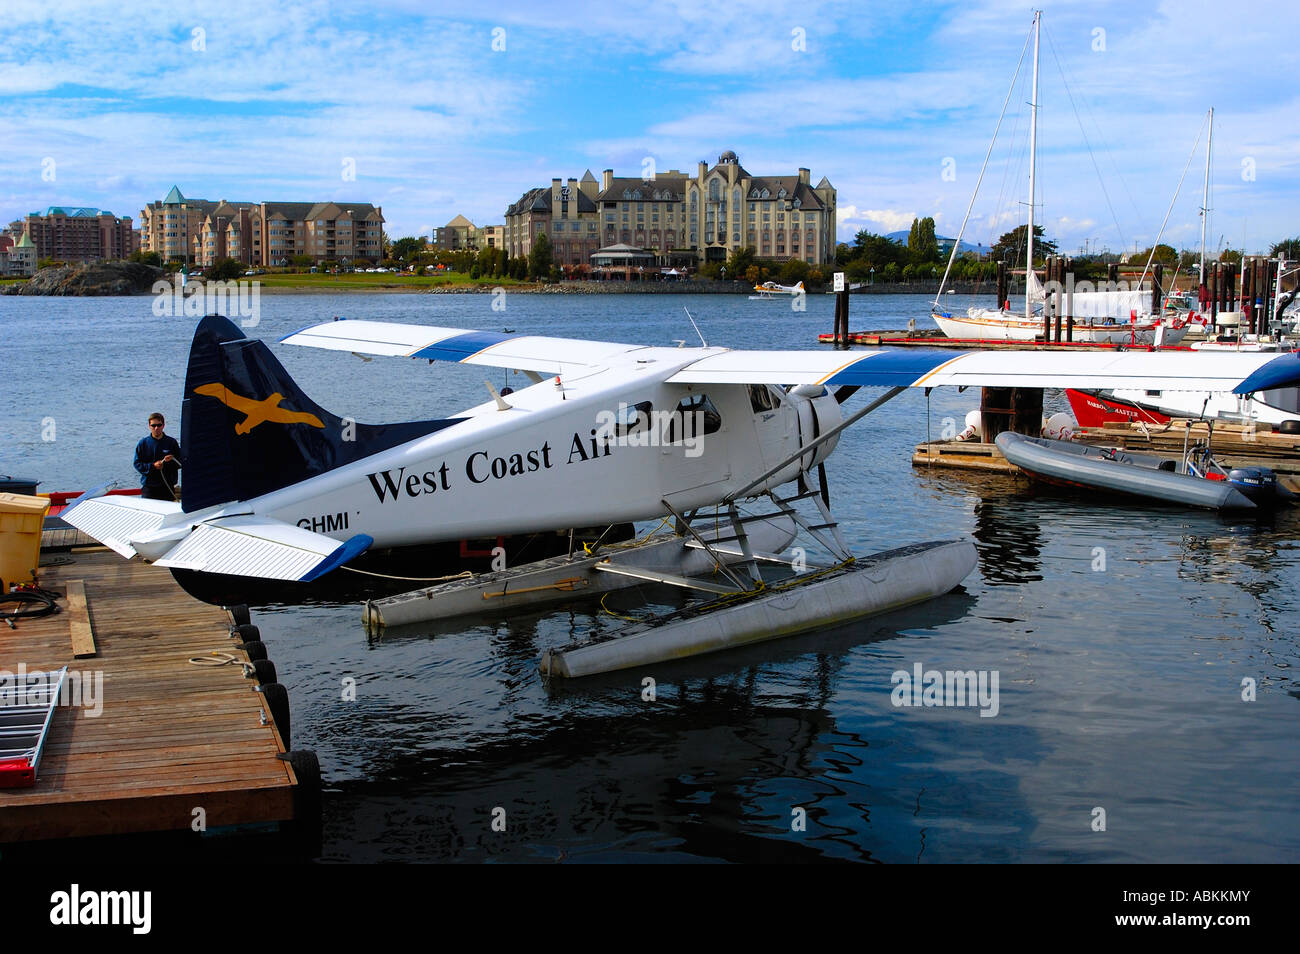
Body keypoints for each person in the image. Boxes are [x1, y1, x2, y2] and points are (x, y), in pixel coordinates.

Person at [134, 413, 182, 501]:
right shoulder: (143, 443)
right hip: (149, 488)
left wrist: (170, 461)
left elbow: (181, 462)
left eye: (159, 425)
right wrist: (153, 466)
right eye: (153, 425)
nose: (156, 428)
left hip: (167, 487)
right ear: (149, 426)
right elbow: (137, 464)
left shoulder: (171, 442)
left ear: (163, 425)